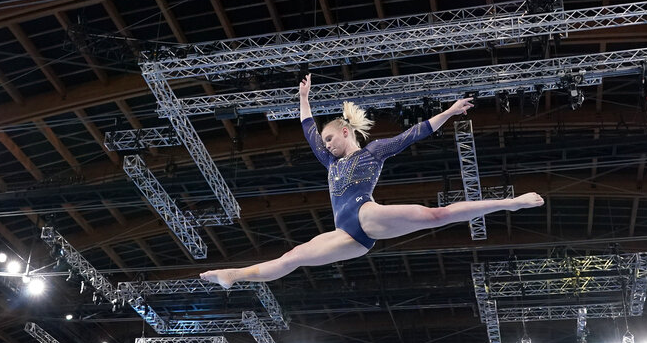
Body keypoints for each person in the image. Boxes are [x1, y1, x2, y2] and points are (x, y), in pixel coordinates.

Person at [199, 74, 544, 288]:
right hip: (347, 235)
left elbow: (414, 133)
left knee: (436, 215)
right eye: (326, 142)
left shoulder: (372, 152)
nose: (327, 146)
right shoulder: (328, 160)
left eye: (331, 139)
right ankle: (233, 274)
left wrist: (450, 112)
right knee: (294, 256)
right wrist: (304, 99)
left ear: (346, 132)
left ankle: (509, 203)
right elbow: (308, 131)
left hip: (365, 215)